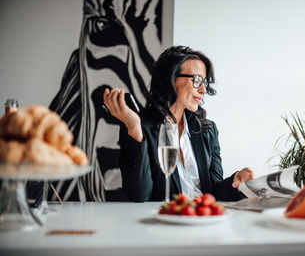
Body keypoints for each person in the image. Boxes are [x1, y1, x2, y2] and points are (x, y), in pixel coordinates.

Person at [103, 45, 254, 202]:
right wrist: (134, 127)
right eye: (196, 80)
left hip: (201, 220)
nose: (203, 89)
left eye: (204, 82)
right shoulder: (139, 126)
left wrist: (237, 181)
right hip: (164, 220)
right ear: (171, 78)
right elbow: (140, 195)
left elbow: (213, 192)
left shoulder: (208, 130)